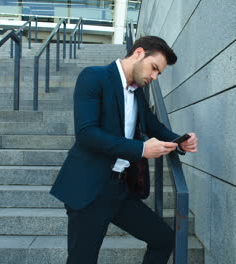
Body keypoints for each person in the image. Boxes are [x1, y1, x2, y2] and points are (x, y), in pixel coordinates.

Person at [50, 35, 198, 264]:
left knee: (163, 239)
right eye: (154, 68)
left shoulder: (137, 91)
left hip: (119, 189)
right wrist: (140, 149)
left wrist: (179, 141)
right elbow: (87, 133)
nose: (154, 77)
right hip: (88, 189)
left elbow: (152, 125)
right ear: (139, 53)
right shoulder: (93, 77)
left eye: (159, 73)